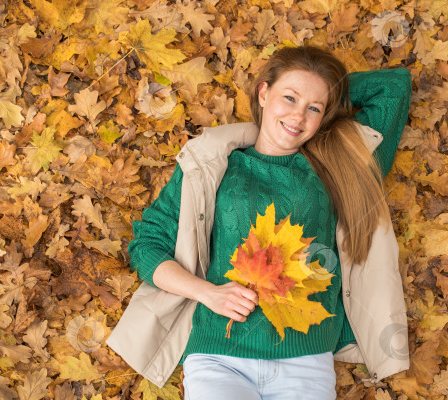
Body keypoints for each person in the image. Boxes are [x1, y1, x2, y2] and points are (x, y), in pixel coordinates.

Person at [106, 45, 412, 399]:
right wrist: (208, 294)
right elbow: (146, 245)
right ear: (263, 92)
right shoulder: (212, 165)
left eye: (314, 108)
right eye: (289, 97)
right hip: (219, 356)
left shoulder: (340, 166)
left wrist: (328, 93)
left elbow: (395, 86)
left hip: (307, 359)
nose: (298, 116)